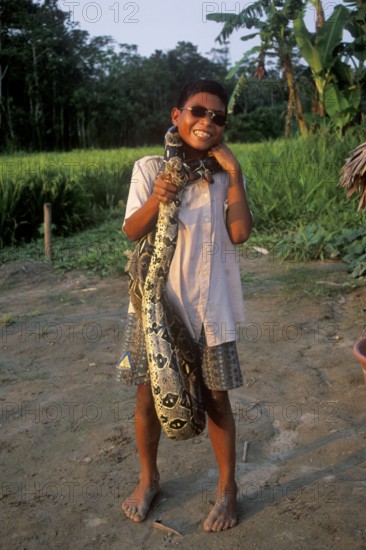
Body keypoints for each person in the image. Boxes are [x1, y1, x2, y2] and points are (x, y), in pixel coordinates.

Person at [118, 79, 253, 532]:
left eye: (218, 117)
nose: (208, 122)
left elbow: (239, 234)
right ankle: (149, 477)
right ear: (177, 116)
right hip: (158, 304)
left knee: (217, 398)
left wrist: (234, 175)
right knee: (146, 396)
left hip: (211, 305)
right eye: (198, 111)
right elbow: (132, 230)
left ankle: (228, 490)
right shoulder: (152, 167)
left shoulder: (223, 174)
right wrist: (160, 196)